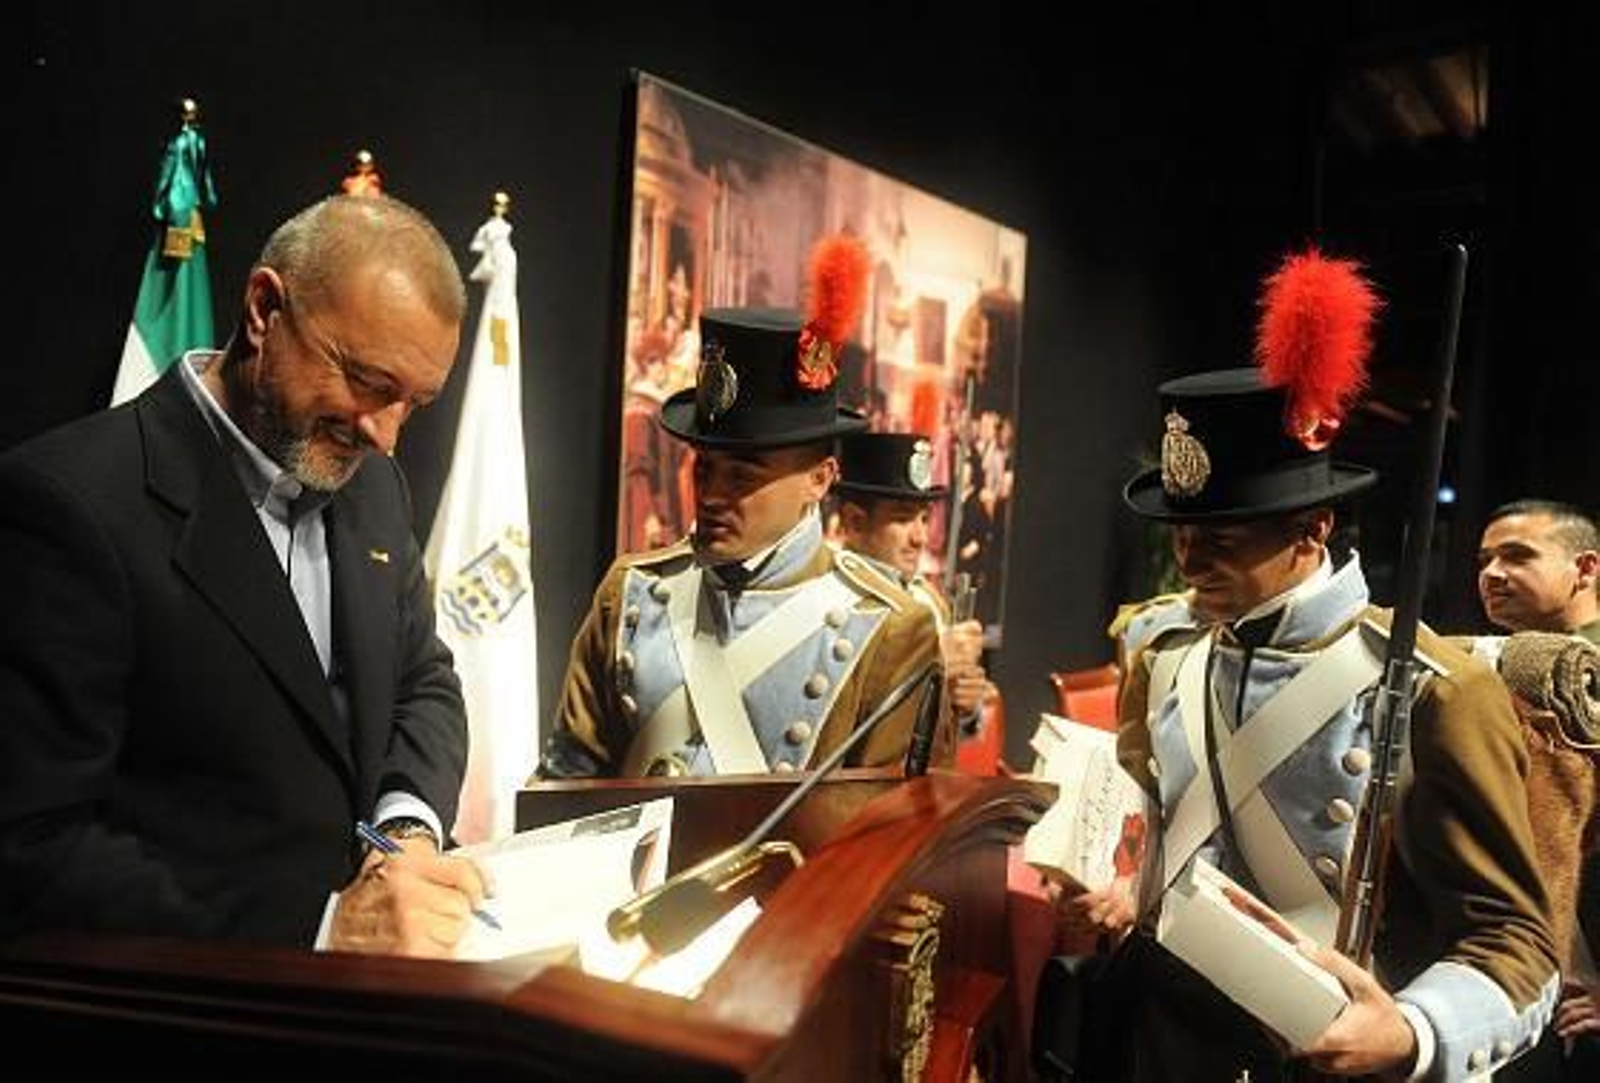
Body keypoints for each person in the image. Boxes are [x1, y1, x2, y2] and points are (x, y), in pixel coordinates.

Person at [1053, 249, 1558, 1081]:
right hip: (1155, 1038)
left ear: (1313, 529)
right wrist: (1110, 873)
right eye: (1182, 535)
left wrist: (1412, 1032)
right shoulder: (1164, 653)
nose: (1193, 562)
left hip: (1309, 1056)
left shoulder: (1434, 689)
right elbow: (1146, 817)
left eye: (1225, 536)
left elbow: (1519, 942)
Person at [0, 194, 488, 958]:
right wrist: (318, 929)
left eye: (412, 404)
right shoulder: (68, 505)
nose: (385, 435)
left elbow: (422, 680)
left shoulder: (375, 489)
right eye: (367, 380)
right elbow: (30, 843)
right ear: (264, 309)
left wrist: (406, 827)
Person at [539, 236, 953, 779]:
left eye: (742, 475)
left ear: (819, 480)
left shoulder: (891, 627)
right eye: (705, 468)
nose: (711, 495)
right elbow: (567, 781)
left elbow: (888, 840)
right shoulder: (631, 592)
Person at [834, 430, 994, 730]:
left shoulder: (929, 599)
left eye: (923, 518)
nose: (920, 537)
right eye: (902, 518)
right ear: (854, 521)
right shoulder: (828, 601)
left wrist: (965, 705)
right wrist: (931, 662)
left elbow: (943, 729)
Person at [1478, 499, 1600, 645]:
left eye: (1516, 556)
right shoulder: (1478, 658)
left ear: (1585, 569)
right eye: (1486, 560)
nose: (1490, 572)